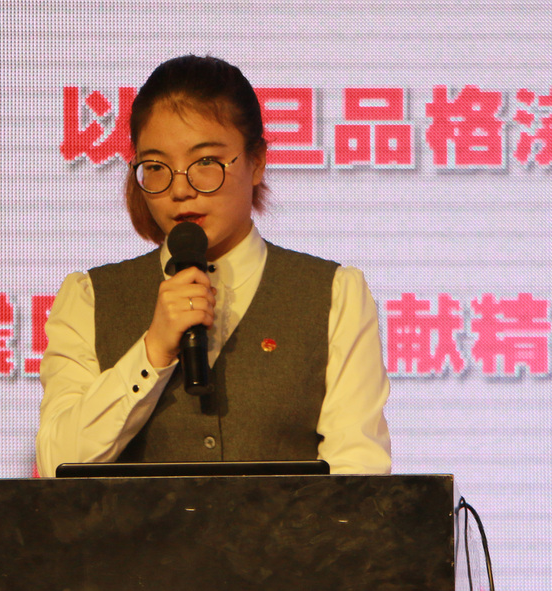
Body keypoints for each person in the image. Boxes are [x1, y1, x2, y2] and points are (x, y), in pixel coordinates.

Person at [36, 55, 390, 477]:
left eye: (205, 162)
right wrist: (152, 352)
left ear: (257, 160)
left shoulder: (332, 294)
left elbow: (359, 475)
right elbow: (56, 463)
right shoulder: (90, 297)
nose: (180, 189)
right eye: (156, 167)